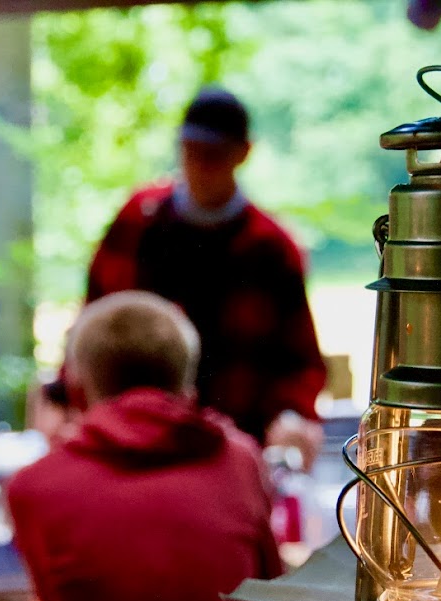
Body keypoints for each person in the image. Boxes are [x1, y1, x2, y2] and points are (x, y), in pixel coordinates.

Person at [6, 291, 283, 601]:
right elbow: (271, 590)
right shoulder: (240, 460)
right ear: (188, 389)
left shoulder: (33, 488)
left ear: (77, 392)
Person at [81, 86, 328, 446]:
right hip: (131, 439)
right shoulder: (138, 222)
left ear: (242, 154)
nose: (198, 165)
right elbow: (93, 322)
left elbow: (299, 361)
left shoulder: (271, 248)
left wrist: (291, 416)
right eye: (189, 151)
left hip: (233, 444)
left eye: (212, 154)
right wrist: (63, 397)